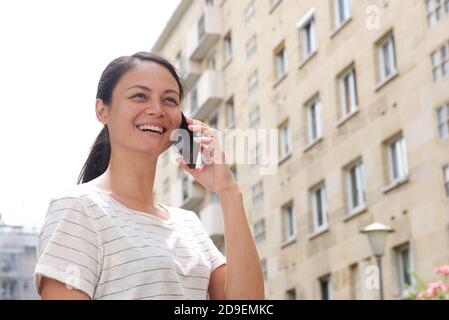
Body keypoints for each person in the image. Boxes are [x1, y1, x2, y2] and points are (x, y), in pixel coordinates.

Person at [34, 52, 264, 300]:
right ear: (102, 110)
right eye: (139, 96)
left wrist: (228, 191)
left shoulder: (189, 225)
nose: (156, 109)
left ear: (183, 122)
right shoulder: (78, 208)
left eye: (169, 100)